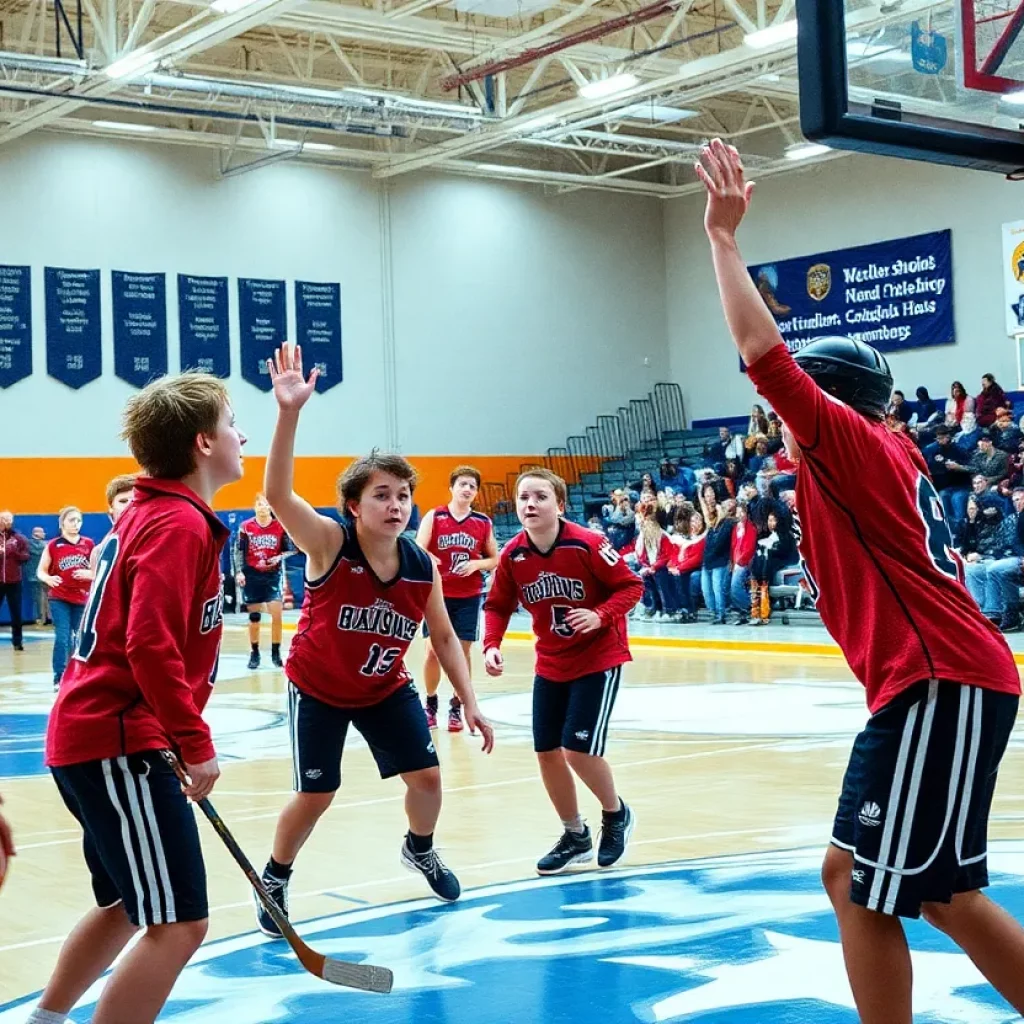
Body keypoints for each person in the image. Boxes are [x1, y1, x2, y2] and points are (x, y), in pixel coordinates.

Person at [697, 139, 1024, 1024]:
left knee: (886, 888)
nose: (777, 416)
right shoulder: (879, 449)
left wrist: (723, 239)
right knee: (899, 887)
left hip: (938, 682)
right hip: (942, 682)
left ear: (826, 398)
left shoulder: (846, 441)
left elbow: (763, 353)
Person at [255, 345, 494, 933]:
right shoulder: (329, 543)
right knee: (317, 794)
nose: (395, 504)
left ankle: (420, 848)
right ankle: (275, 878)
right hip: (319, 687)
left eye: (403, 495)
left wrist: (469, 700)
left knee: (428, 780)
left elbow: (443, 636)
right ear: (354, 506)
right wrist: (288, 414)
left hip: (384, 688)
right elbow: (280, 496)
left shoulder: (422, 565)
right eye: (381, 494)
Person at [30, 372, 246, 1024]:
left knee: (128, 905)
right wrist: (194, 743)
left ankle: (44, 1019)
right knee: (179, 923)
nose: (242, 436)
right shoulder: (176, 522)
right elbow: (150, 645)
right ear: (203, 442)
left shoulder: (155, 515)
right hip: (116, 738)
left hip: (103, 738)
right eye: (232, 424)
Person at [482, 468, 643, 875]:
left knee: (577, 749)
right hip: (551, 661)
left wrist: (600, 614)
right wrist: (491, 644)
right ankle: (575, 835)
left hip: (598, 657)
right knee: (547, 752)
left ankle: (616, 814)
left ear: (560, 505)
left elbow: (631, 586)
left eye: (540, 497)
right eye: (523, 498)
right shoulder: (513, 555)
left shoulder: (588, 543)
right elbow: (497, 604)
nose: (530, 504)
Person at [416, 466, 498, 732]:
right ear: (451, 487)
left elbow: (494, 559)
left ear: (476, 493)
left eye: (472, 486)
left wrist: (476, 565)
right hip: (436, 595)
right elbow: (418, 547)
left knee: (461, 654)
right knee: (432, 651)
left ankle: (456, 705)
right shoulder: (435, 516)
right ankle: (430, 703)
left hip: (468, 596)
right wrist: (430, 557)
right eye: (463, 484)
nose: (467, 489)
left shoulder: (482, 522)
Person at [234, 494, 293, 670]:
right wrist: (239, 571)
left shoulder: (280, 526)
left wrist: (279, 558)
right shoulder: (245, 527)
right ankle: (254, 653)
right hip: (252, 574)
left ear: (270, 508)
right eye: (259, 504)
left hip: (272, 575)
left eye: (265, 505)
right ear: (254, 507)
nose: (262, 507)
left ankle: (276, 652)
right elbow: (238, 551)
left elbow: (291, 549)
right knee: (254, 617)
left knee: (277, 614)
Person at [38, 507, 95, 687]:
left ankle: (78, 674)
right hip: (59, 597)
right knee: (63, 637)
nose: (76, 524)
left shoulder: (88, 544)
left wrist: (90, 574)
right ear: (62, 523)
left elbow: (97, 571)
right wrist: (47, 578)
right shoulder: (53, 545)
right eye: (72, 520)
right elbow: (41, 571)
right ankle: (59, 676)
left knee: (79, 637)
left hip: (82, 597)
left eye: (79, 520)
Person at [89, 476, 137, 574]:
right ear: (111, 508)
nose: (130, 505)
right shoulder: (99, 551)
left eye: (135, 500)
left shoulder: (155, 540)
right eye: (123, 501)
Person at [0, 511, 29, 651]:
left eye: (8, 519)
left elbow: (26, 557)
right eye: (3, 519)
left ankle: (17, 641)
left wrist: (14, 552)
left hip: (14, 581)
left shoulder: (19, 538)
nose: (5, 522)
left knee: (16, 612)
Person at [729, 502, 757, 624]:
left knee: (735, 587)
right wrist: (732, 562)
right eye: (738, 512)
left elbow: (749, 548)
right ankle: (743, 612)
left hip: (744, 563)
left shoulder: (751, 528)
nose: (740, 514)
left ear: (746, 513)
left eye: (742, 512)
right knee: (732, 588)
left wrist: (739, 563)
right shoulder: (736, 528)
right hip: (735, 563)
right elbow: (733, 547)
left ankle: (750, 608)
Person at [26, 526, 48, 626]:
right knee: (45, 598)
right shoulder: (45, 545)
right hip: (43, 575)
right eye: (42, 532)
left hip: (32, 576)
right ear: (37, 534)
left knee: (36, 599)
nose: (44, 534)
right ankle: (43, 618)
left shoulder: (27, 544)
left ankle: (39, 618)